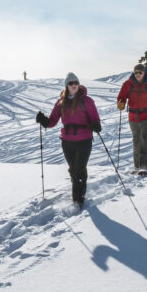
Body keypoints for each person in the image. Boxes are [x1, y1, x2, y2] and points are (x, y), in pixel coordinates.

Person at [36, 72, 101, 208]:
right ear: (66, 85)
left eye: (76, 83)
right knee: (73, 169)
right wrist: (44, 121)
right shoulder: (61, 102)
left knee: (80, 169)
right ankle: (77, 192)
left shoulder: (87, 101)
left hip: (84, 139)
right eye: (71, 83)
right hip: (67, 141)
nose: (74, 85)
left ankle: (78, 199)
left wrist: (96, 125)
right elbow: (53, 121)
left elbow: (95, 118)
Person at [116, 63, 147, 175]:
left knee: (145, 140)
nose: (138, 74)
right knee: (137, 140)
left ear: (144, 73)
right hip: (133, 117)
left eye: (140, 72)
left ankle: (145, 166)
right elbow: (121, 96)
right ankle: (137, 166)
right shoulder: (128, 84)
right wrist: (121, 102)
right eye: (136, 72)